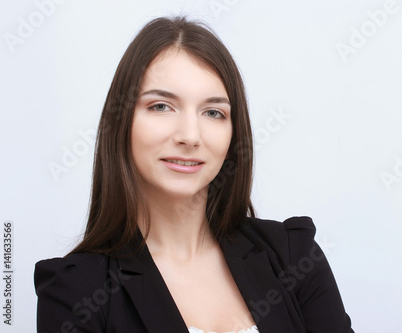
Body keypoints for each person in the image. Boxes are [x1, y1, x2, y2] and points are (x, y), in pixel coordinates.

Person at [34, 16, 354, 333]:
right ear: (123, 123)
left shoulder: (292, 255)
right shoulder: (76, 292)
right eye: (161, 106)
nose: (190, 135)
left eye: (213, 112)